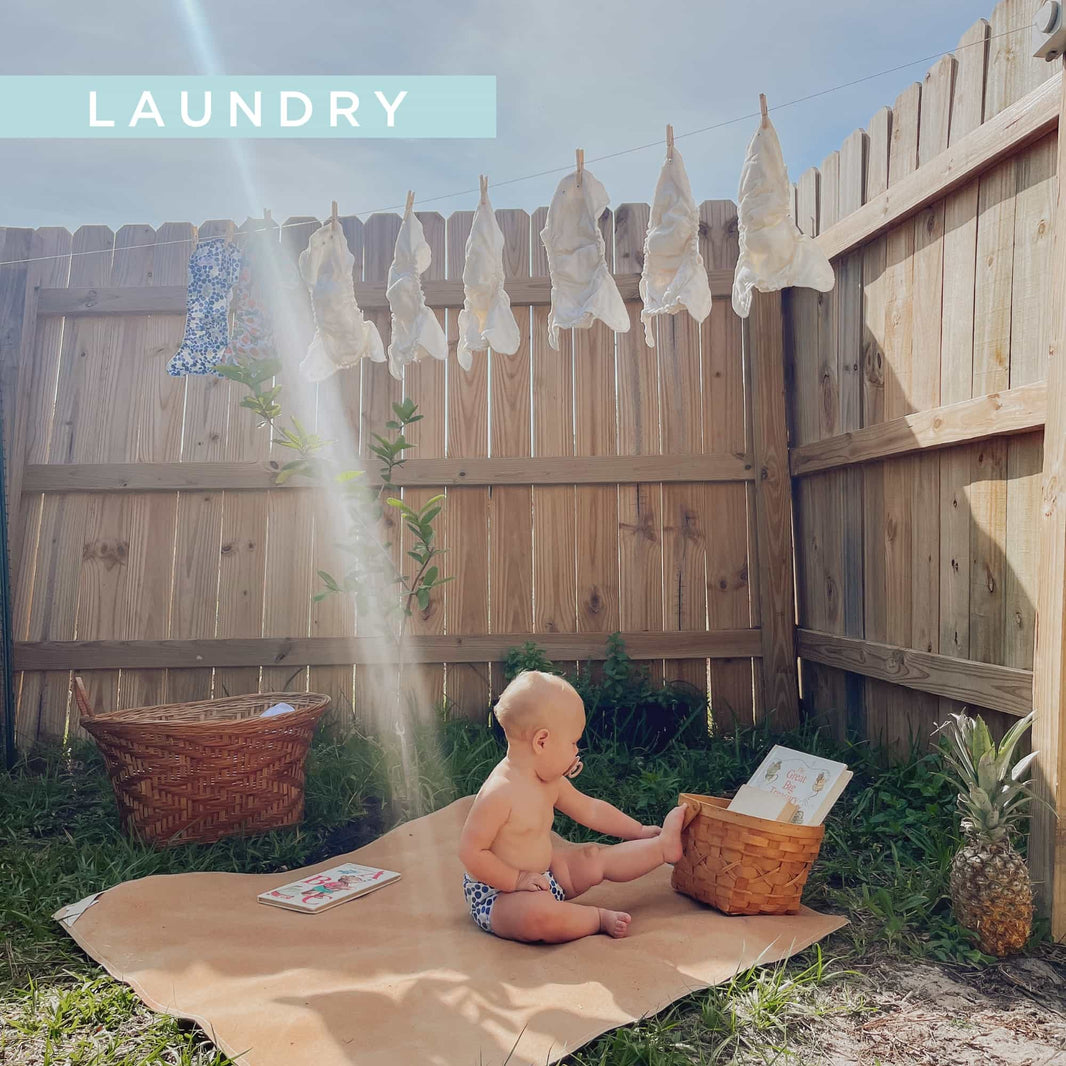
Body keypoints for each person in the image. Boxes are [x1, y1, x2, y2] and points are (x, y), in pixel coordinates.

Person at [458, 670, 687, 943]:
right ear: (541, 741)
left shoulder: (548, 780)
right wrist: (516, 880)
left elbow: (590, 809)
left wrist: (636, 830)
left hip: (544, 877)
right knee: (537, 916)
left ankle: (663, 847)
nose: (577, 751)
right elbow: (471, 852)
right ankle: (596, 918)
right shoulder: (500, 792)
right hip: (499, 894)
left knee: (591, 857)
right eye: (573, 743)